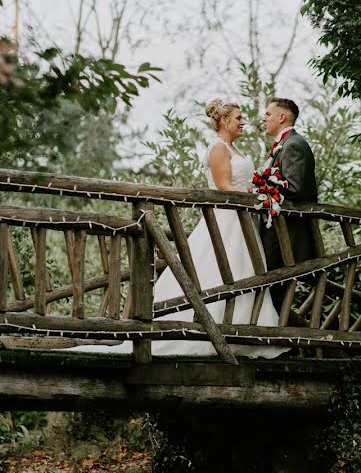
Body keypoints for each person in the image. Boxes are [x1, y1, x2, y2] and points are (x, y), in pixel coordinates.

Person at [69, 99, 286, 358]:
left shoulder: (234, 149)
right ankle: (209, 331)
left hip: (244, 221)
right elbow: (224, 187)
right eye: (238, 118)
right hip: (227, 219)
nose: (243, 122)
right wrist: (257, 192)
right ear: (225, 121)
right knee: (219, 270)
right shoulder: (218, 148)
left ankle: (247, 331)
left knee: (245, 270)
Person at [259, 98, 318, 311]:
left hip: (287, 235)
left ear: (282, 117)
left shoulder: (294, 144)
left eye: (268, 114)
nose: (263, 119)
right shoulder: (285, 144)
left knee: (274, 295)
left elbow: (294, 188)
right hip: (277, 232)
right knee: (270, 294)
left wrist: (263, 187)